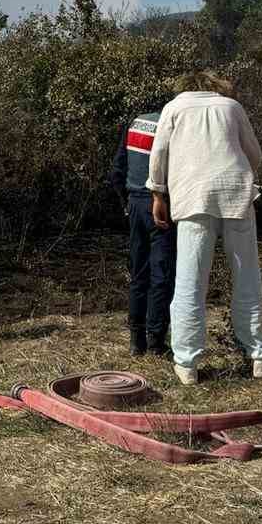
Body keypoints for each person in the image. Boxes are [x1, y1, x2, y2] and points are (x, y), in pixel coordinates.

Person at [146, 71, 262, 386]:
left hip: (193, 196)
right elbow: (254, 154)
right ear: (214, 86)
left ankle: (187, 364)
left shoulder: (173, 108)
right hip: (236, 194)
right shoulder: (231, 107)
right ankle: (259, 357)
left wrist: (158, 193)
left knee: (190, 280)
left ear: (184, 85)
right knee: (247, 277)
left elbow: (158, 154)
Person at [109, 107, 176, 356]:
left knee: (139, 272)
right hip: (162, 203)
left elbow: (117, 170)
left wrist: (126, 203)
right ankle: (156, 340)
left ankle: (136, 339)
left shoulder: (136, 122)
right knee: (162, 274)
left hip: (135, 203)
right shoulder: (170, 126)